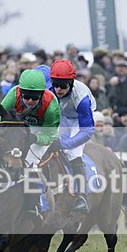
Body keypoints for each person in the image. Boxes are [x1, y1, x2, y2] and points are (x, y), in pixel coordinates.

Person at [47, 59, 96, 214]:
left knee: (72, 152)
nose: (58, 89)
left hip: (78, 121)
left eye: (63, 86)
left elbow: (87, 132)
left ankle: (81, 196)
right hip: (62, 115)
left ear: (71, 83)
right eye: (56, 84)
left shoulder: (82, 100)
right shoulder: (49, 90)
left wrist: (63, 144)